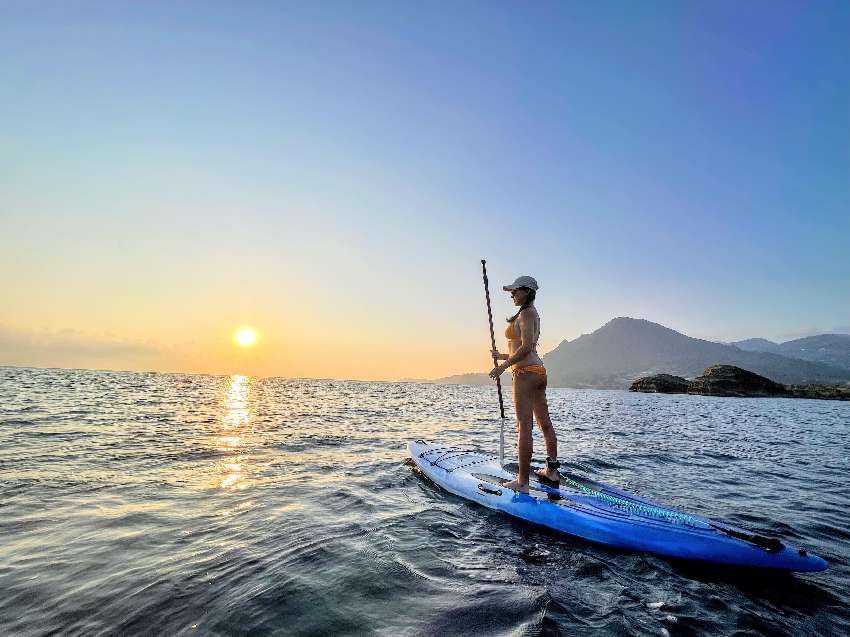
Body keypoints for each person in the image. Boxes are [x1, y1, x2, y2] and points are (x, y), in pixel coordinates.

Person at [488, 275, 560, 492]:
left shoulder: (527, 313)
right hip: (536, 371)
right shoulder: (529, 313)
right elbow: (522, 346)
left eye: (515, 291)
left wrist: (503, 366)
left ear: (527, 291)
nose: (512, 294)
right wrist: (502, 356)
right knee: (544, 423)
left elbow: (527, 346)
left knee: (524, 427)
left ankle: (522, 482)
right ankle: (552, 471)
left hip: (525, 373)